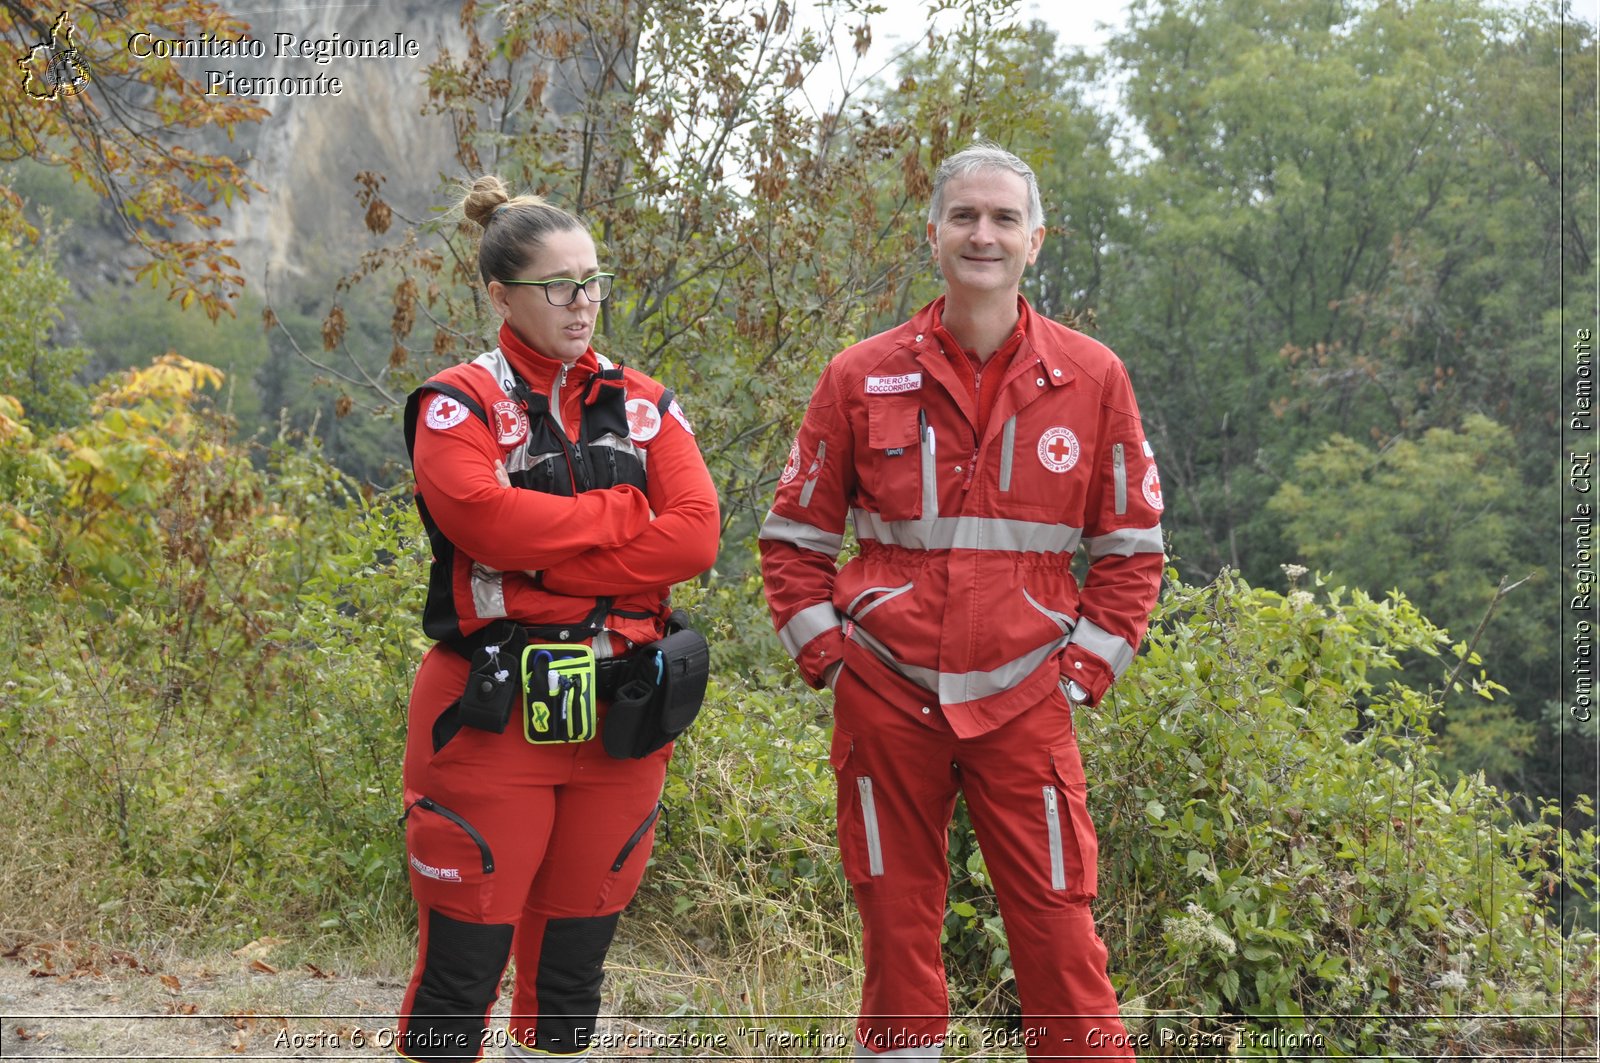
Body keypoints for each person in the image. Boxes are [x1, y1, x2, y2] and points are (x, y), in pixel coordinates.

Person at [759, 142, 1164, 1060]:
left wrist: (1081, 674)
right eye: (965, 216)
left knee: (1061, 935)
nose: (984, 233)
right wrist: (832, 658)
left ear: (1036, 241)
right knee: (896, 934)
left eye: (1004, 218)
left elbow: (1133, 550)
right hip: (889, 696)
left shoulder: (1092, 376)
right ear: (933, 234)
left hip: (1027, 700)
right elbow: (793, 539)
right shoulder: (860, 374)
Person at [396, 176, 720, 1062]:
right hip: (490, 716)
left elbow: (696, 535)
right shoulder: (456, 403)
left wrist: (550, 560)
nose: (583, 304)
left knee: (572, 985)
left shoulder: (646, 400)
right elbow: (484, 522)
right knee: (462, 979)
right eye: (558, 286)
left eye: (592, 281)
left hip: (621, 722)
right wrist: (623, 513)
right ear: (501, 295)